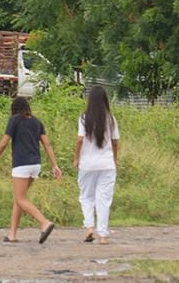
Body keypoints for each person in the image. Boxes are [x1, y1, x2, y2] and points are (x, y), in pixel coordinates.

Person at [0, 95, 62, 243]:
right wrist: (55, 165)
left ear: (14, 108)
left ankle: (44, 222)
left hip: (21, 164)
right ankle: (12, 234)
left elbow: (4, 142)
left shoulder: (14, 120)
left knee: (21, 199)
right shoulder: (37, 122)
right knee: (19, 199)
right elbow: (47, 144)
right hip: (36, 165)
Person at [73, 84, 121, 244]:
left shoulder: (84, 118)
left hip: (87, 164)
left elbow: (80, 140)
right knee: (104, 199)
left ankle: (89, 227)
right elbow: (115, 142)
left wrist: (76, 158)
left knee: (86, 197)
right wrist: (114, 158)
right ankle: (103, 235)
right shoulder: (111, 119)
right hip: (107, 164)